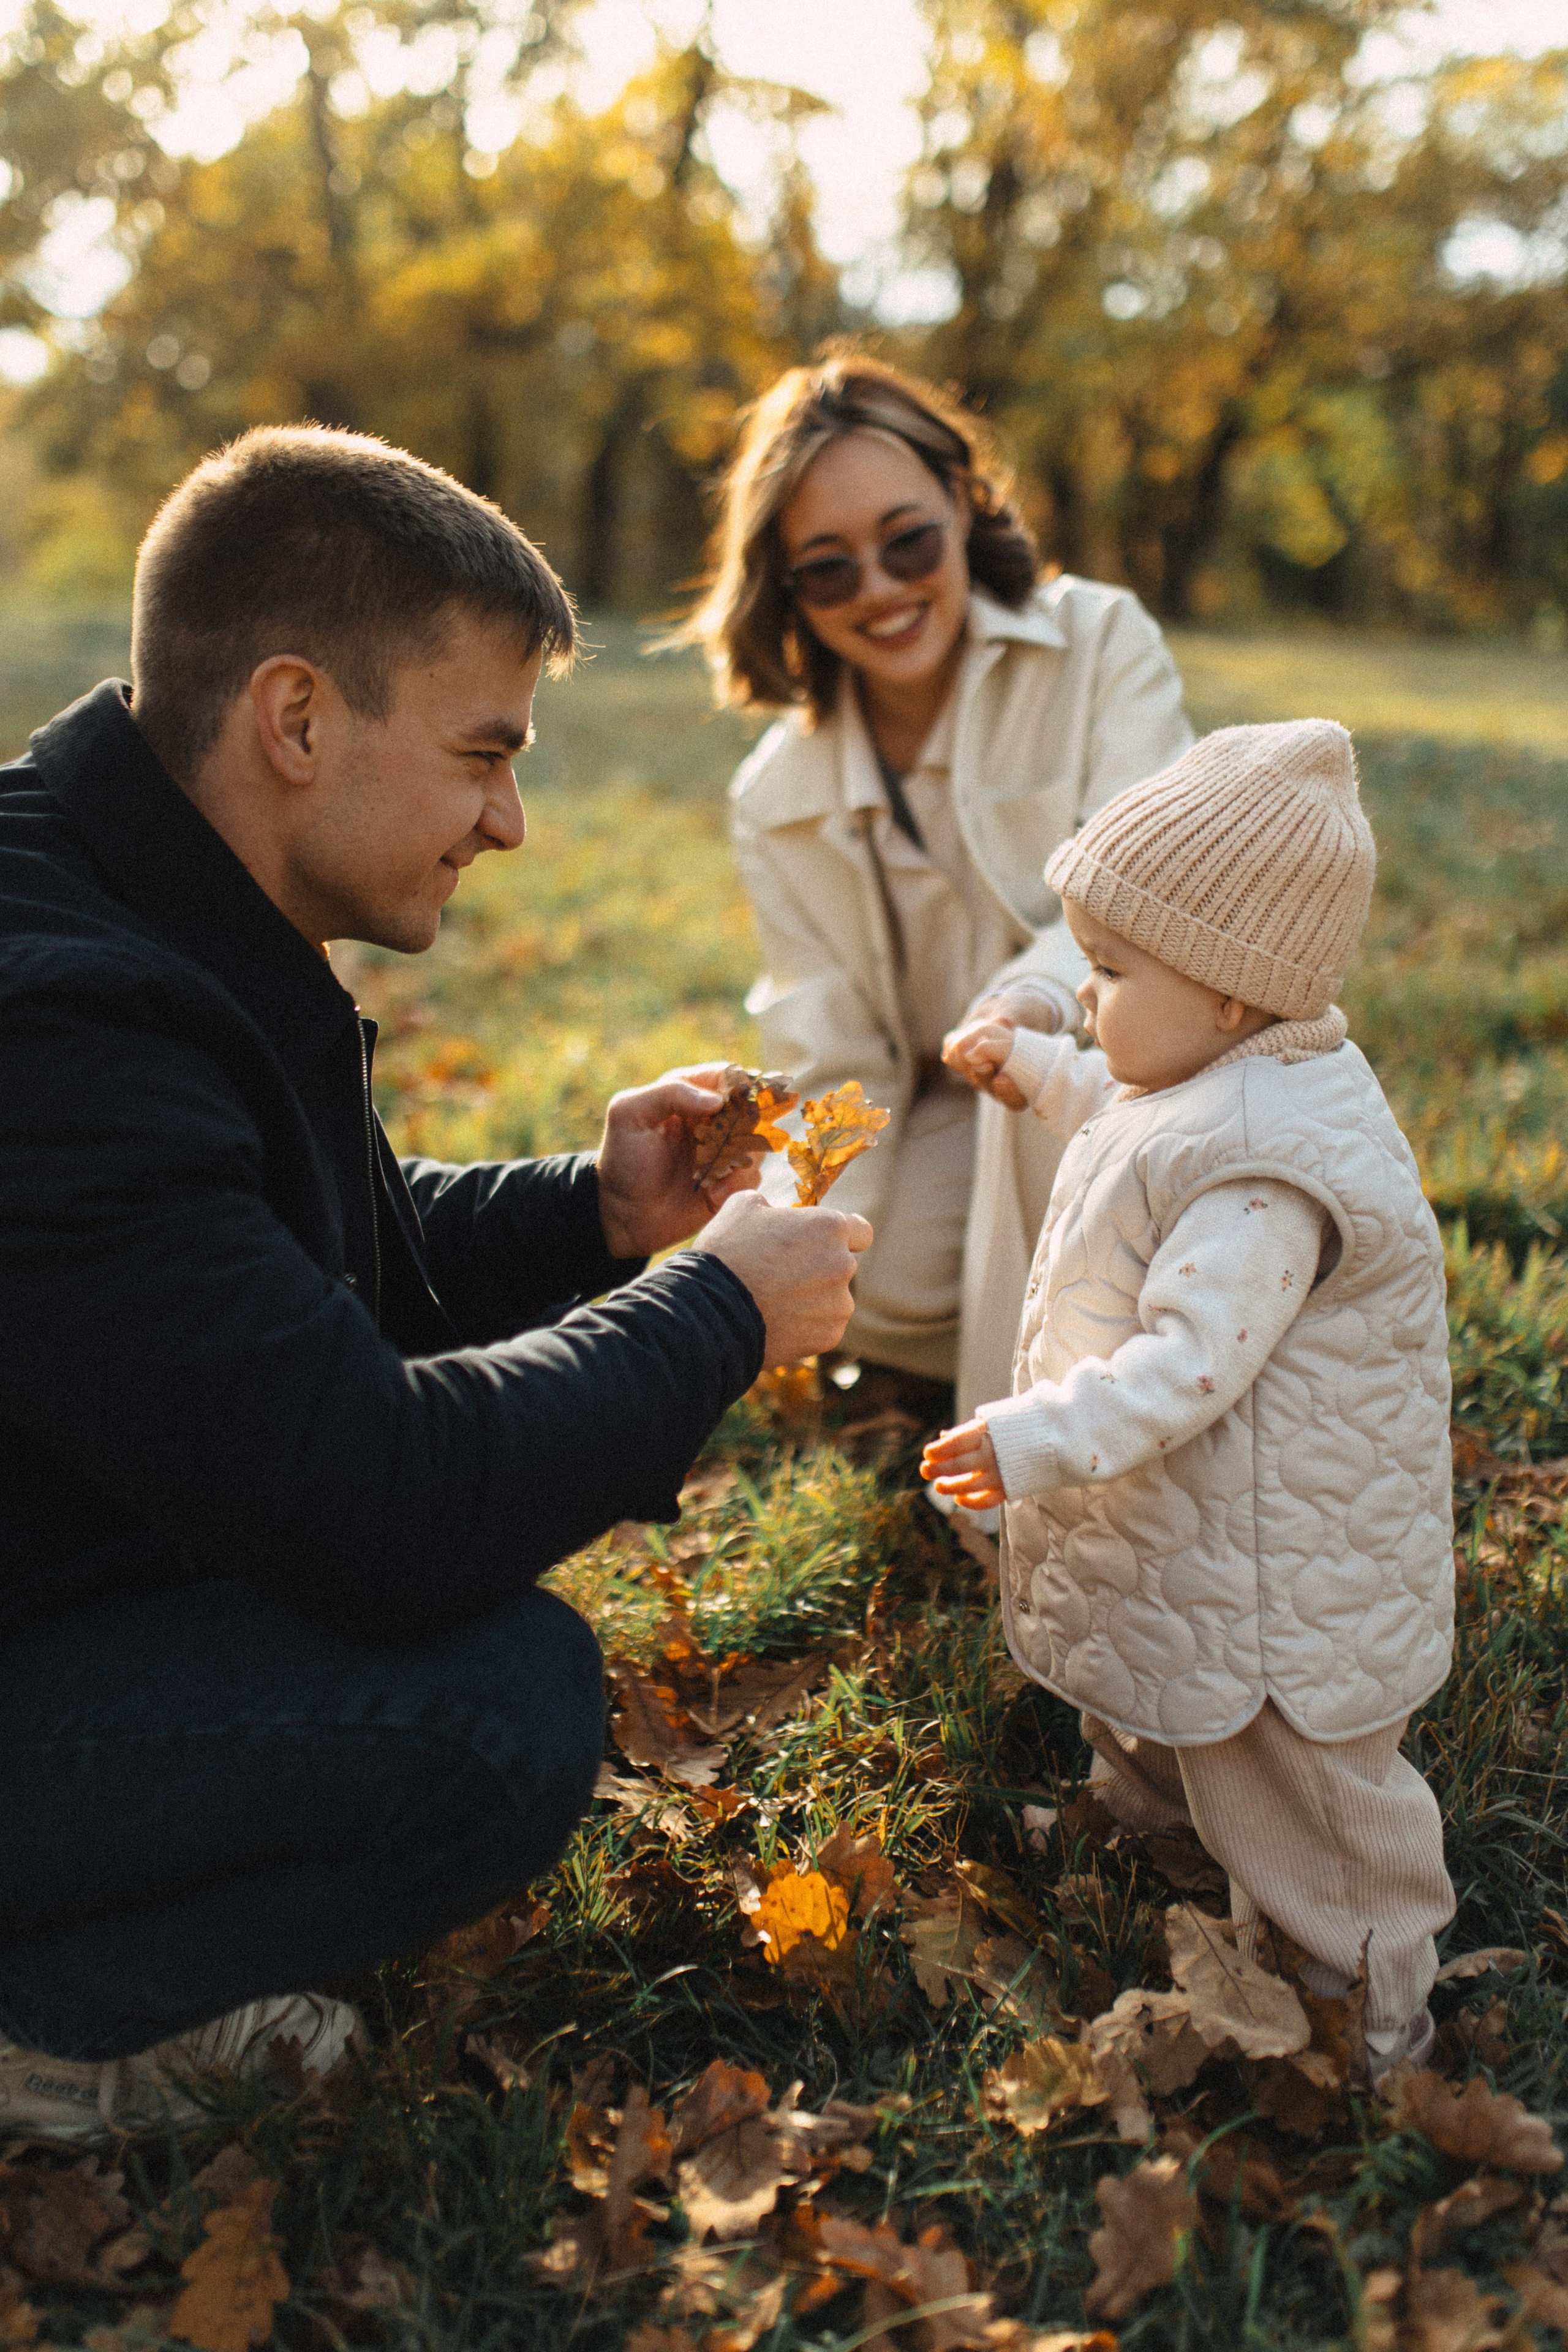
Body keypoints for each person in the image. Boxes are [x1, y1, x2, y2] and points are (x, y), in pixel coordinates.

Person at [0, 424, 870, 2146]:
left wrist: (592, 1215)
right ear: (299, 718)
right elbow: (373, 1500)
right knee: (487, 1715)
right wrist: (715, 1312)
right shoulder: (66, 1018)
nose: (513, 821)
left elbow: (264, 1272)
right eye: (484, 753)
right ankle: (49, 2022)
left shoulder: (145, 890)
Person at [926, 719, 1455, 2075]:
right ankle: (1151, 1832)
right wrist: (1036, 1070)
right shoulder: (1222, 1074)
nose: (1084, 995)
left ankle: (1371, 2006)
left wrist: (1036, 1439)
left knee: (1289, 1774)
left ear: (1228, 995)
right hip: (1201, 1537)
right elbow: (1124, 1109)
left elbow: (1188, 1366)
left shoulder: (1269, 1174)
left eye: (1105, 972)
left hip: (1284, 1569)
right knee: (1158, 1681)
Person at [678, 352, 1191, 1431]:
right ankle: (1091, 1328)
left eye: (907, 540)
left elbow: (1149, 895)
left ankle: (1060, 1397)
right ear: (785, 583)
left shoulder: (1100, 642)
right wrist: (800, 1254)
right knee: (872, 1272)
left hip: (1142, 1070)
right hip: (950, 1118)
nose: (881, 590)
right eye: (829, 568)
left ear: (963, 502)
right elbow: (834, 1048)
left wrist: (1028, 1006)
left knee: (1076, 1154)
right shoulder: (776, 796)